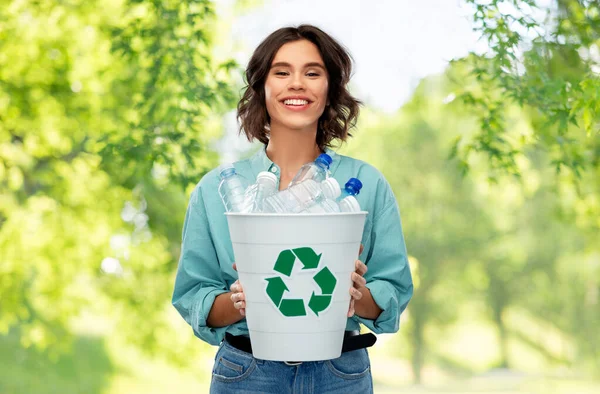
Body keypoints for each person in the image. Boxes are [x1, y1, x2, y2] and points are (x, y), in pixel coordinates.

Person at [172, 24, 413, 393]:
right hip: (247, 373)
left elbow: (392, 292)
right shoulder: (215, 190)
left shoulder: (368, 183)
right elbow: (194, 296)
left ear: (330, 88)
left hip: (339, 374)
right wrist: (240, 300)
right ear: (262, 88)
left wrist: (354, 296)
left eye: (312, 73)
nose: (296, 83)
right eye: (281, 72)